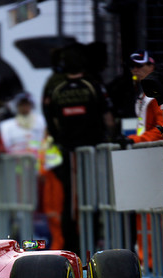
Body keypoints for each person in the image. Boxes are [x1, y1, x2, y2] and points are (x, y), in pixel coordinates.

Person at [47, 47, 113, 253]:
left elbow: (53, 122)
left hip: (68, 153)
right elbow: (108, 119)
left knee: (69, 200)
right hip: (93, 152)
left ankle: (71, 246)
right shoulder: (93, 86)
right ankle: (91, 245)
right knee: (92, 198)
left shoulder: (56, 91)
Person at [0, 92, 64, 249]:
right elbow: (0, 152)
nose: (24, 107)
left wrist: (44, 169)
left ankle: (43, 246)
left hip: (41, 178)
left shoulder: (42, 123)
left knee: (44, 214)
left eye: (27, 104)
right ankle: (22, 246)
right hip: (16, 181)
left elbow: (49, 145)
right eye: (21, 104)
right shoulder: (6, 127)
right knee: (20, 215)